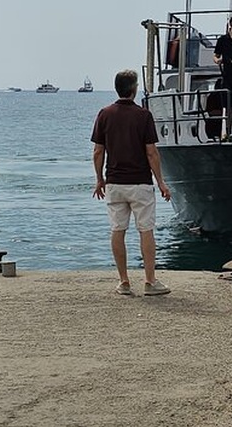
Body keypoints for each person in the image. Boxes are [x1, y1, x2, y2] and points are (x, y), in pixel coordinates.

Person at [91, 69, 172, 296]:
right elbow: (152, 153)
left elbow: (98, 152)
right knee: (146, 230)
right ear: (134, 89)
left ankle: (124, 282)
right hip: (140, 183)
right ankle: (150, 281)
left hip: (115, 183)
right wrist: (162, 182)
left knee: (118, 230)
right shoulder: (143, 115)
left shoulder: (104, 114)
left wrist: (100, 180)